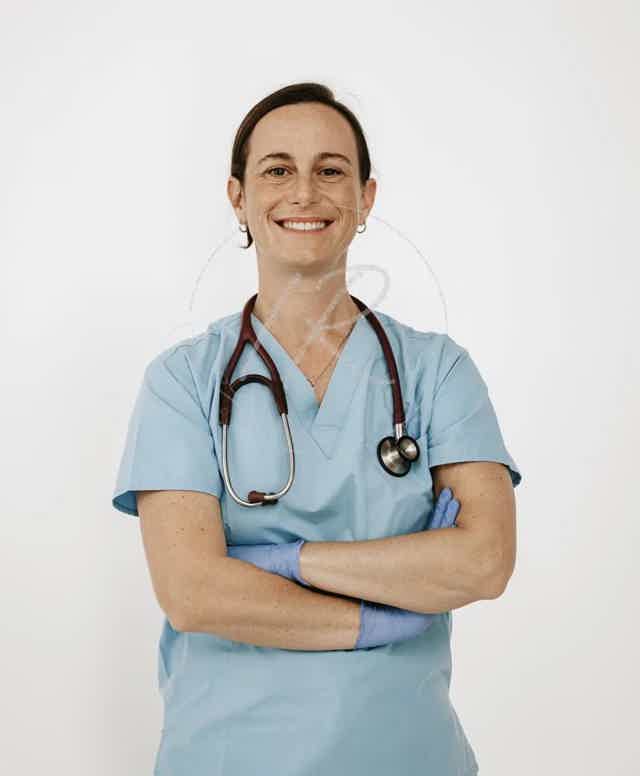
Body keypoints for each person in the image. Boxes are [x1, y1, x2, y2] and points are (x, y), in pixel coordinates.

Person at [112, 82, 522, 775]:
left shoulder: (436, 372)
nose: (304, 192)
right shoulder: (182, 380)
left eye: (330, 170)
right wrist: (384, 612)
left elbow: (484, 561)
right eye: (277, 169)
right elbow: (191, 591)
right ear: (238, 197)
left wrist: (277, 562)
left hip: (410, 754)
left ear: (366, 198)